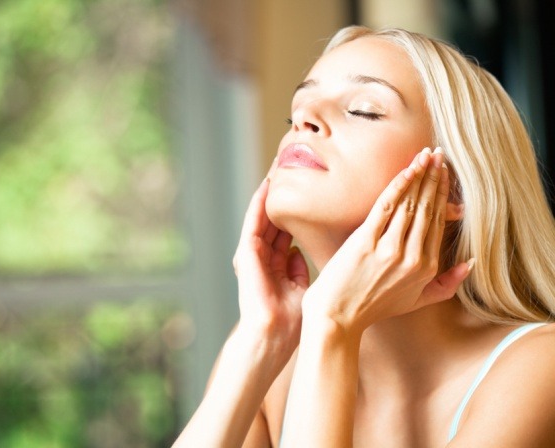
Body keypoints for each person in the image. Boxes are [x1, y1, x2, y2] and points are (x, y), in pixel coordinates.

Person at [174, 25, 555, 447]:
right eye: (295, 111)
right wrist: (260, 338)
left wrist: (333, 324)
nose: (303, 120)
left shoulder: (540, 366)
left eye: (363, 110)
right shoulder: (271, 363)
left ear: (456, 188)